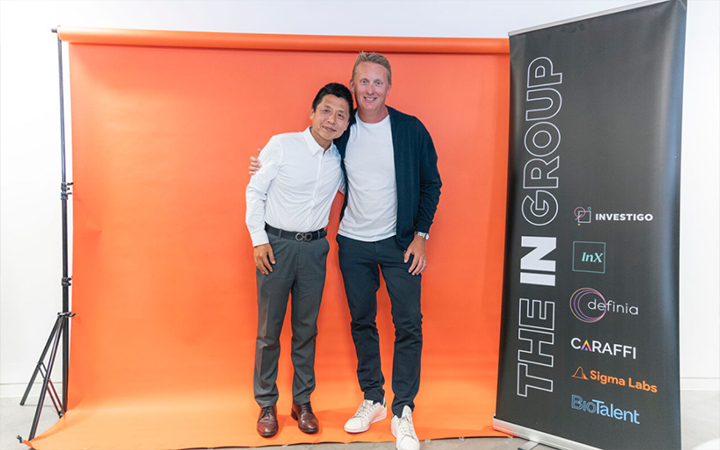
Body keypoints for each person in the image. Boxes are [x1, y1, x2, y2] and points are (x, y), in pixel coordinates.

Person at [250, 53, 441, 450]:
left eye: (378, 82)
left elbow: (430, 183)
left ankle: (403, 411)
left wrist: (421, 234)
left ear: (389, 87)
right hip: (352, 244)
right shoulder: (342, 132)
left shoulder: (409, 129)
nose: (371, 89)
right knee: (361, 322)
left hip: (400, 244)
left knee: (408, 324)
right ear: (353, 87)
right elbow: (305, 167)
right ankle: (373, 399)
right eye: (363, 82)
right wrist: (265, 167)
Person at [246, 82, 353, 438]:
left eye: (341, 115)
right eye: (326, 111)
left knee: (306, 330)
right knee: (269, 331)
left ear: (347, 123)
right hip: (276, 245)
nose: (331, 120)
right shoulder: (282, 145)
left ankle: (302, 401)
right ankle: (266, 404)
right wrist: (258, 239)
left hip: (315, 250)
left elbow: (359, 189)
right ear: (312, 112)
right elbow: (255, 190)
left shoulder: (340, 160)